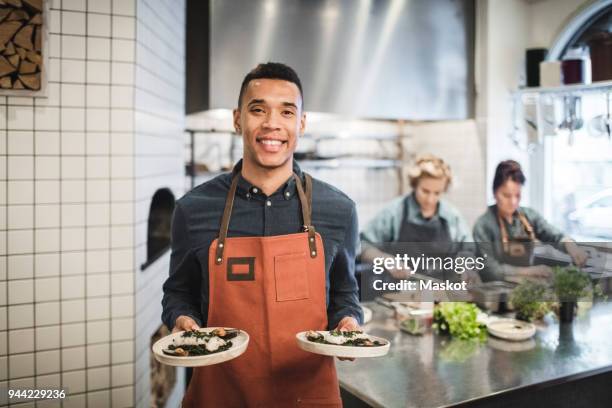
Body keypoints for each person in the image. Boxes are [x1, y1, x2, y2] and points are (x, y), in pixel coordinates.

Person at [161, 62, 362, 407]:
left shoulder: (338, 210)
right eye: (258, 110)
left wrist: (348, 321)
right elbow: (178, 292)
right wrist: (182, 319)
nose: (272, 124)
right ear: (238, 119)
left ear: (301, 123)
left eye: (286, 112)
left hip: (308, 397)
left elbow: (345, 291)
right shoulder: (193, 210)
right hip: (220, 396)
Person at [360, 154, 477, 283]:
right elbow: (362, 245)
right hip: (400, 294)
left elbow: (467, 249)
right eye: (425, 191)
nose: (430, 199)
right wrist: (386, 260)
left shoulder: (452, 216)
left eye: (437, 193)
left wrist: (466, 267)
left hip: (443, 293)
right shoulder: (393, 213)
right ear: (415, 184)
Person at [473, 160, 587, 282]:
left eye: (517, 195)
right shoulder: (483, 226)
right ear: (495, 192)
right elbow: (489, 270)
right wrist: (529, 272)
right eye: (506, 195)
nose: (513, 202)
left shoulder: (528, 216)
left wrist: (571, 246)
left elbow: (553, 234)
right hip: (496, 294)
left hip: (526, 288)